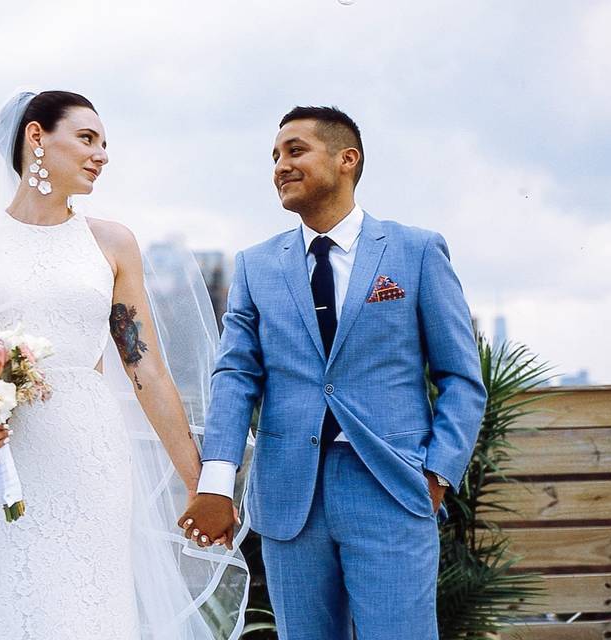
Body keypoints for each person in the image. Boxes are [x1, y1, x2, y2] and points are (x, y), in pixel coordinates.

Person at [0, 90, 248, 639]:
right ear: (35, 137)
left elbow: (147, 372)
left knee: (83, 604)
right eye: (87, 138)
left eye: (105, 144)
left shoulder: (112, 244)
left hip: (85, 453)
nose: (101, 155)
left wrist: (202, 484)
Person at [179, 105, 487, 639]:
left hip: (392, 486)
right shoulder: (257, 265)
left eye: (295, 150)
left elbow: (461, 377)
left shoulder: (415, 251)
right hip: (290, 496)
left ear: (348, 159)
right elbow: (234, 377)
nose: (280, 165)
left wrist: (437, 473)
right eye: (275, 156)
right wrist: (216, 483)